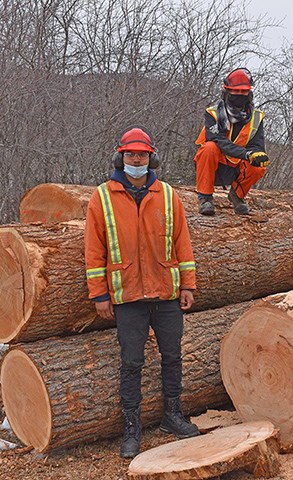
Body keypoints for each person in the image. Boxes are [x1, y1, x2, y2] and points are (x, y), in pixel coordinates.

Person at [84, 126, 201, 459]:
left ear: (153, 158)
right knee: (131, 363)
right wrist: (99, 294)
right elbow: (94, 251)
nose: (137, 159)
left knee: (173, 357)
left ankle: (172, 416)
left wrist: (188, 285)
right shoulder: (102, 197)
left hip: (165, 293)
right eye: (131, 154)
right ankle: (132, 428)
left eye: (143, 154)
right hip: (127, 298)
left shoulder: (167, 195)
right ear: (120, 157)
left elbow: (182, 242)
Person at [193, 67, 270, 215]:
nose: (239, 95)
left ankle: (237, 196)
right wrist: (247, 154)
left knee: (259, 163)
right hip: (215, 165)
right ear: (227, 92)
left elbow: (257, 145)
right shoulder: (212, 113)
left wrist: (256, 155)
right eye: (236, 91)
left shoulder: (257, 117)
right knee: (209, 148)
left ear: (249, 93)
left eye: (243, 92)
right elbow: (218, 141)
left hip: (238, 165)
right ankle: (205, 199)